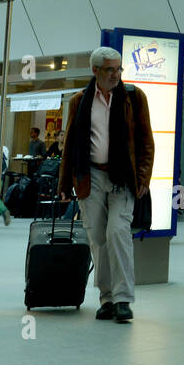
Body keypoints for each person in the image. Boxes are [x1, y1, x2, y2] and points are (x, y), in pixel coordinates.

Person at [57, 47, 155, 324]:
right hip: (90, 177)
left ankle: (123, 299)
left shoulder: (134, 98)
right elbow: (70, 147)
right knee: (98, 238)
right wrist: (65, 183)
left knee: (118, 232)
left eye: (119, 69)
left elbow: (147, 142)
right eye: (110, 69)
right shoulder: (80, 101)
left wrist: (143, 177)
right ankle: (107, 299)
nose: (116, 74)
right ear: (95, 71)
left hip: (123, 177)